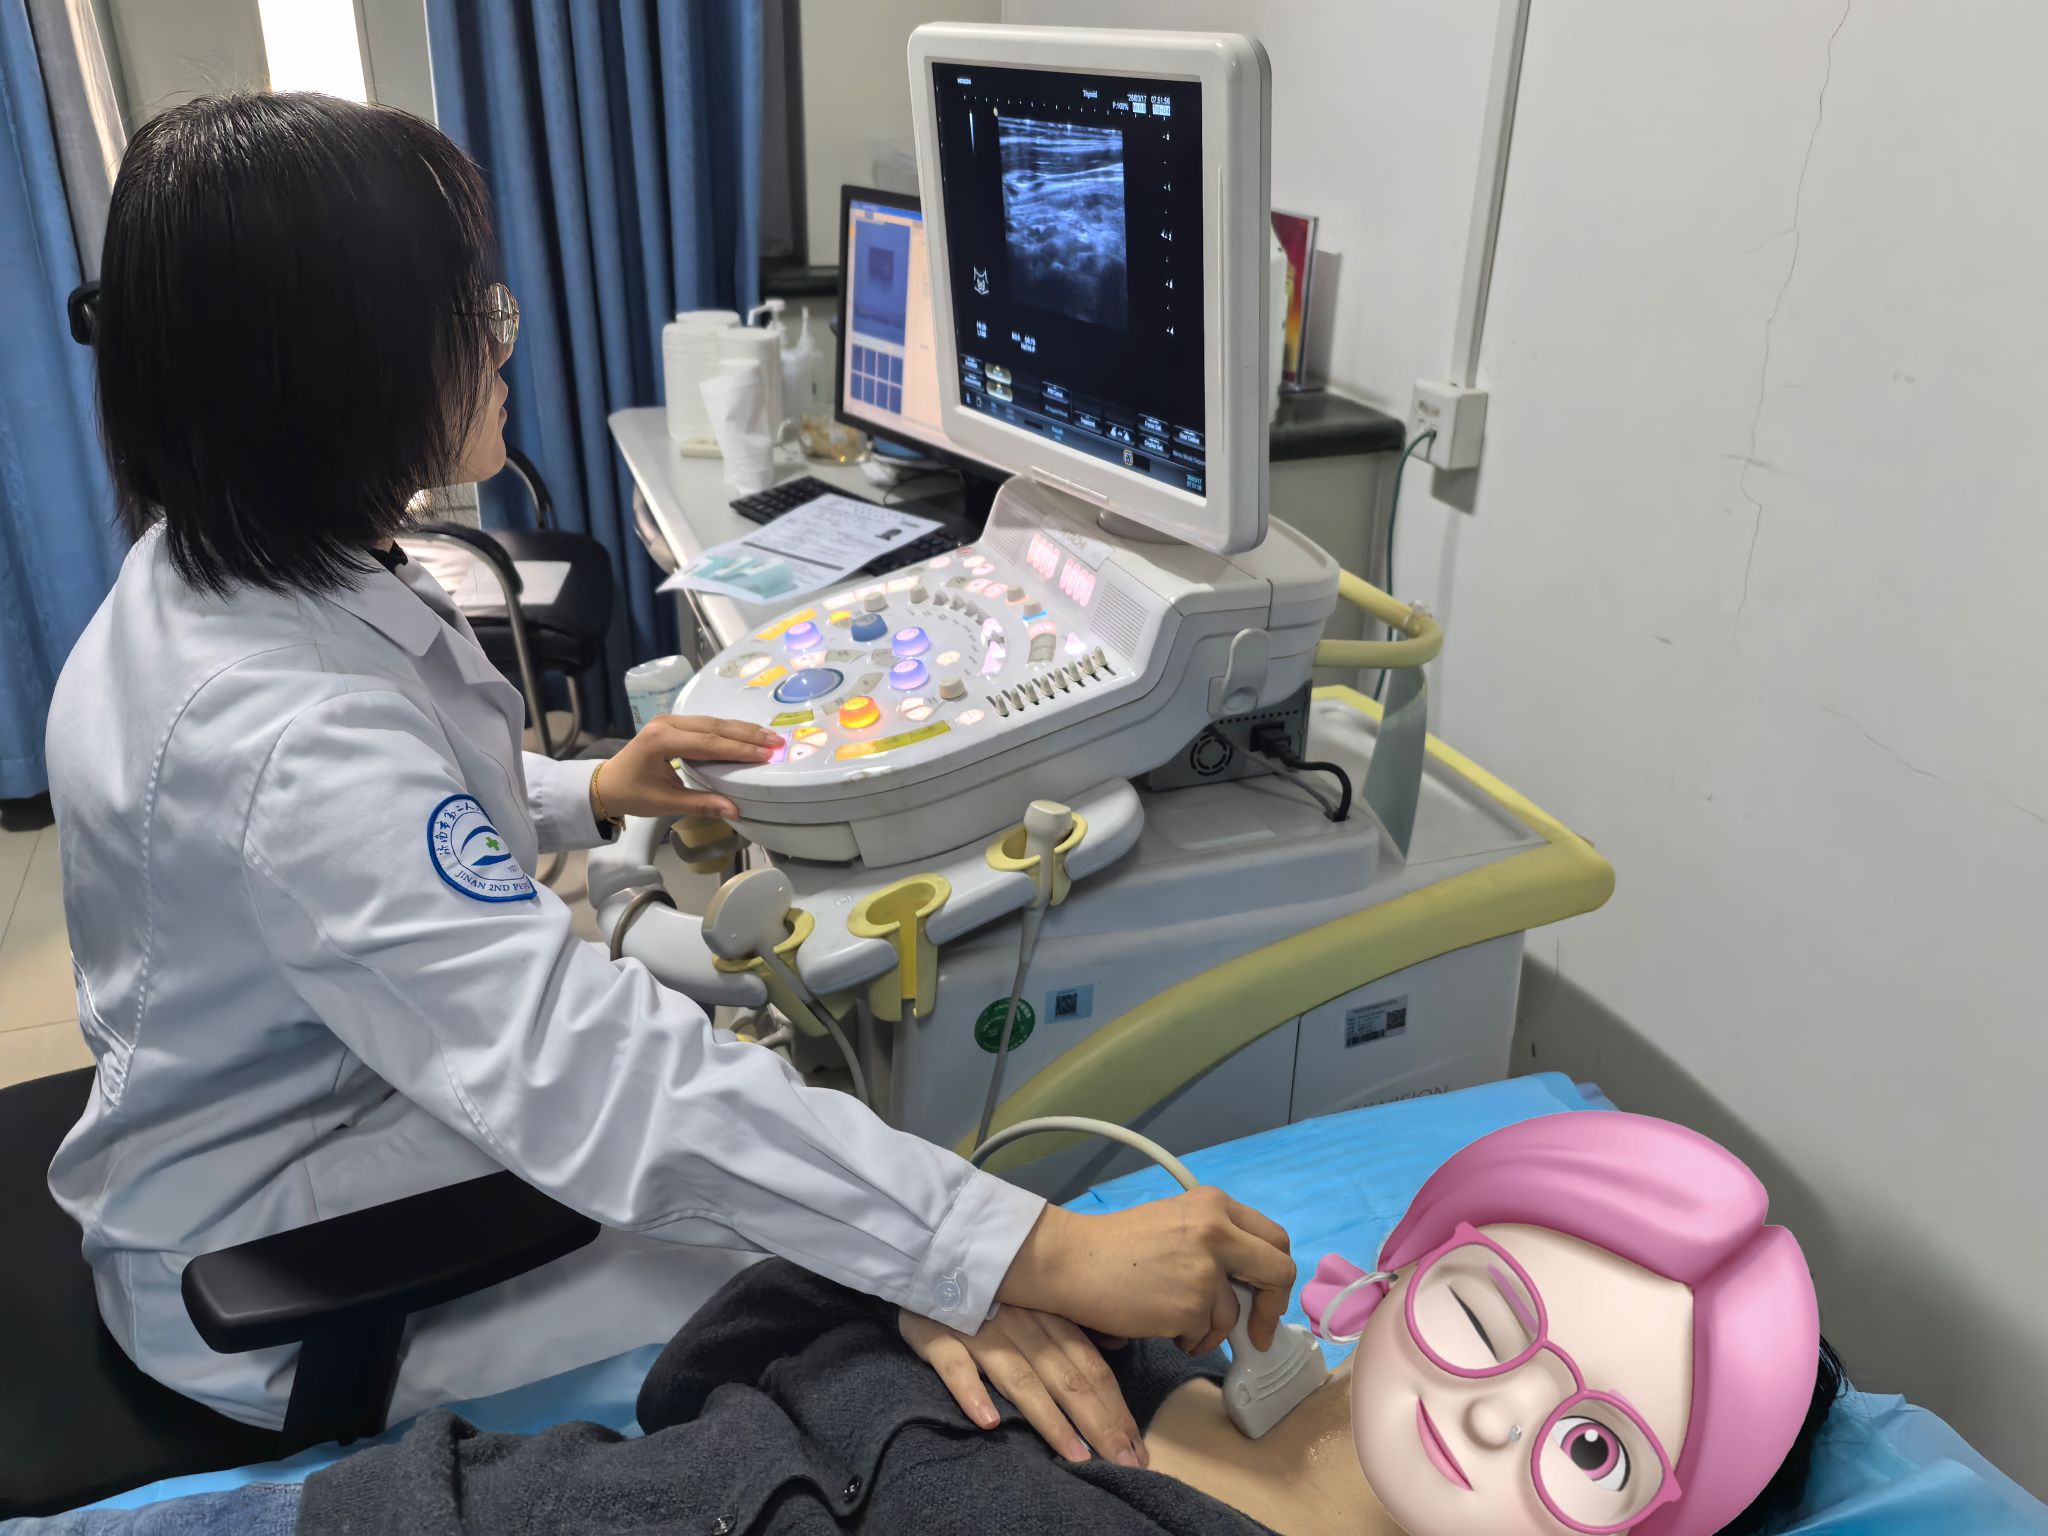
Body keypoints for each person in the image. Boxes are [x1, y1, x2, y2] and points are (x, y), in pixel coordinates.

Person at [42, 90, 1294, 1445]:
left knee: (821, 1196)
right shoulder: (283, 736)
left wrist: (587, 791)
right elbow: (585, 1068)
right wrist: (1017, 1247)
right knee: (834, 1307)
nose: (501, 336)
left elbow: (353, 846)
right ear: (335, 368)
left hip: (305, 1114)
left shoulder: (204, 571)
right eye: (466, 310)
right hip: (298, 1267)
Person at [0, 1112, 1840, 1536]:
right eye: (1496, 1318)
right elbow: (701, 1381)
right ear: (1405, 1268)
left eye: (1594, 1451)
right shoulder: (1141, 1338)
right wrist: (941, 1271)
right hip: (429, 1508)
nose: (1502, 1416)